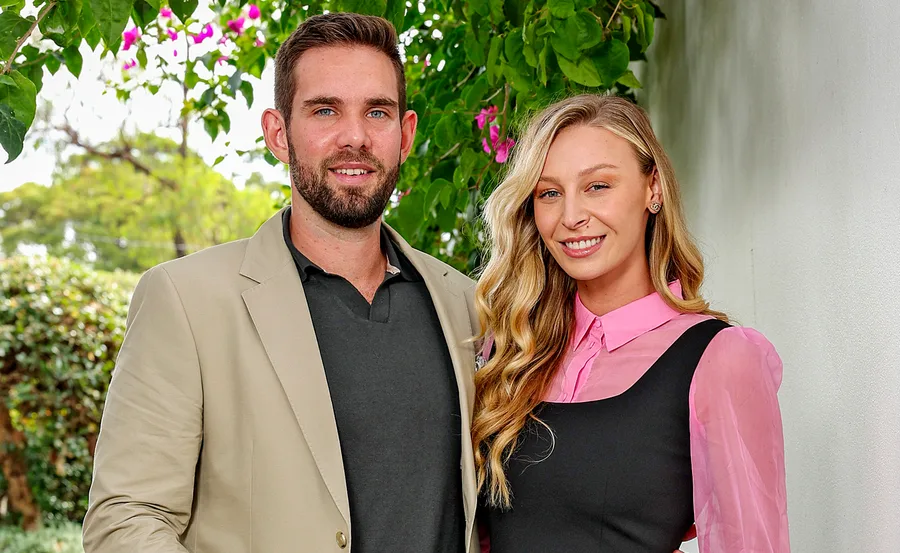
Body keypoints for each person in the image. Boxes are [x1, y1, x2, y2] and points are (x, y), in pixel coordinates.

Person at [83, 13, 481, 553]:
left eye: (377, 112)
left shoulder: (465, 305)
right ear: (278, 134)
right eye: (325, 111)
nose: (355, 137)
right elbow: (127, 519)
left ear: (405, 134)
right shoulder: (186, 302)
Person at [472, 94, 790, 552]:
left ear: (653, 188)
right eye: (549, 193)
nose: (571, 217)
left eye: (598, 186)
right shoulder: (509, 351)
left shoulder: (719, 359)